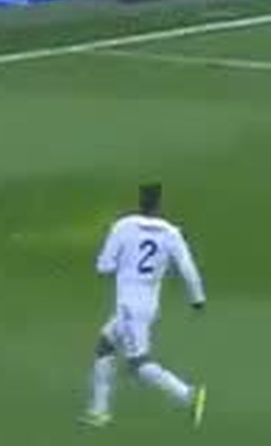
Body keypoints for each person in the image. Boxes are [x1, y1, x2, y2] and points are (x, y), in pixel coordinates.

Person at [85, 182, 209, 428]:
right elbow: (187, 268)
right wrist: (198, 299)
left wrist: (124, 266)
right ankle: (99, 411)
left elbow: (104, 266)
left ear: (139, 202)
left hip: (128, 306)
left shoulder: (124, 226)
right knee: (105, 345)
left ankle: (188, 395)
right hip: (149, 305)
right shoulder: (171, 233)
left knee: (138, 364)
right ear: (160, 205)